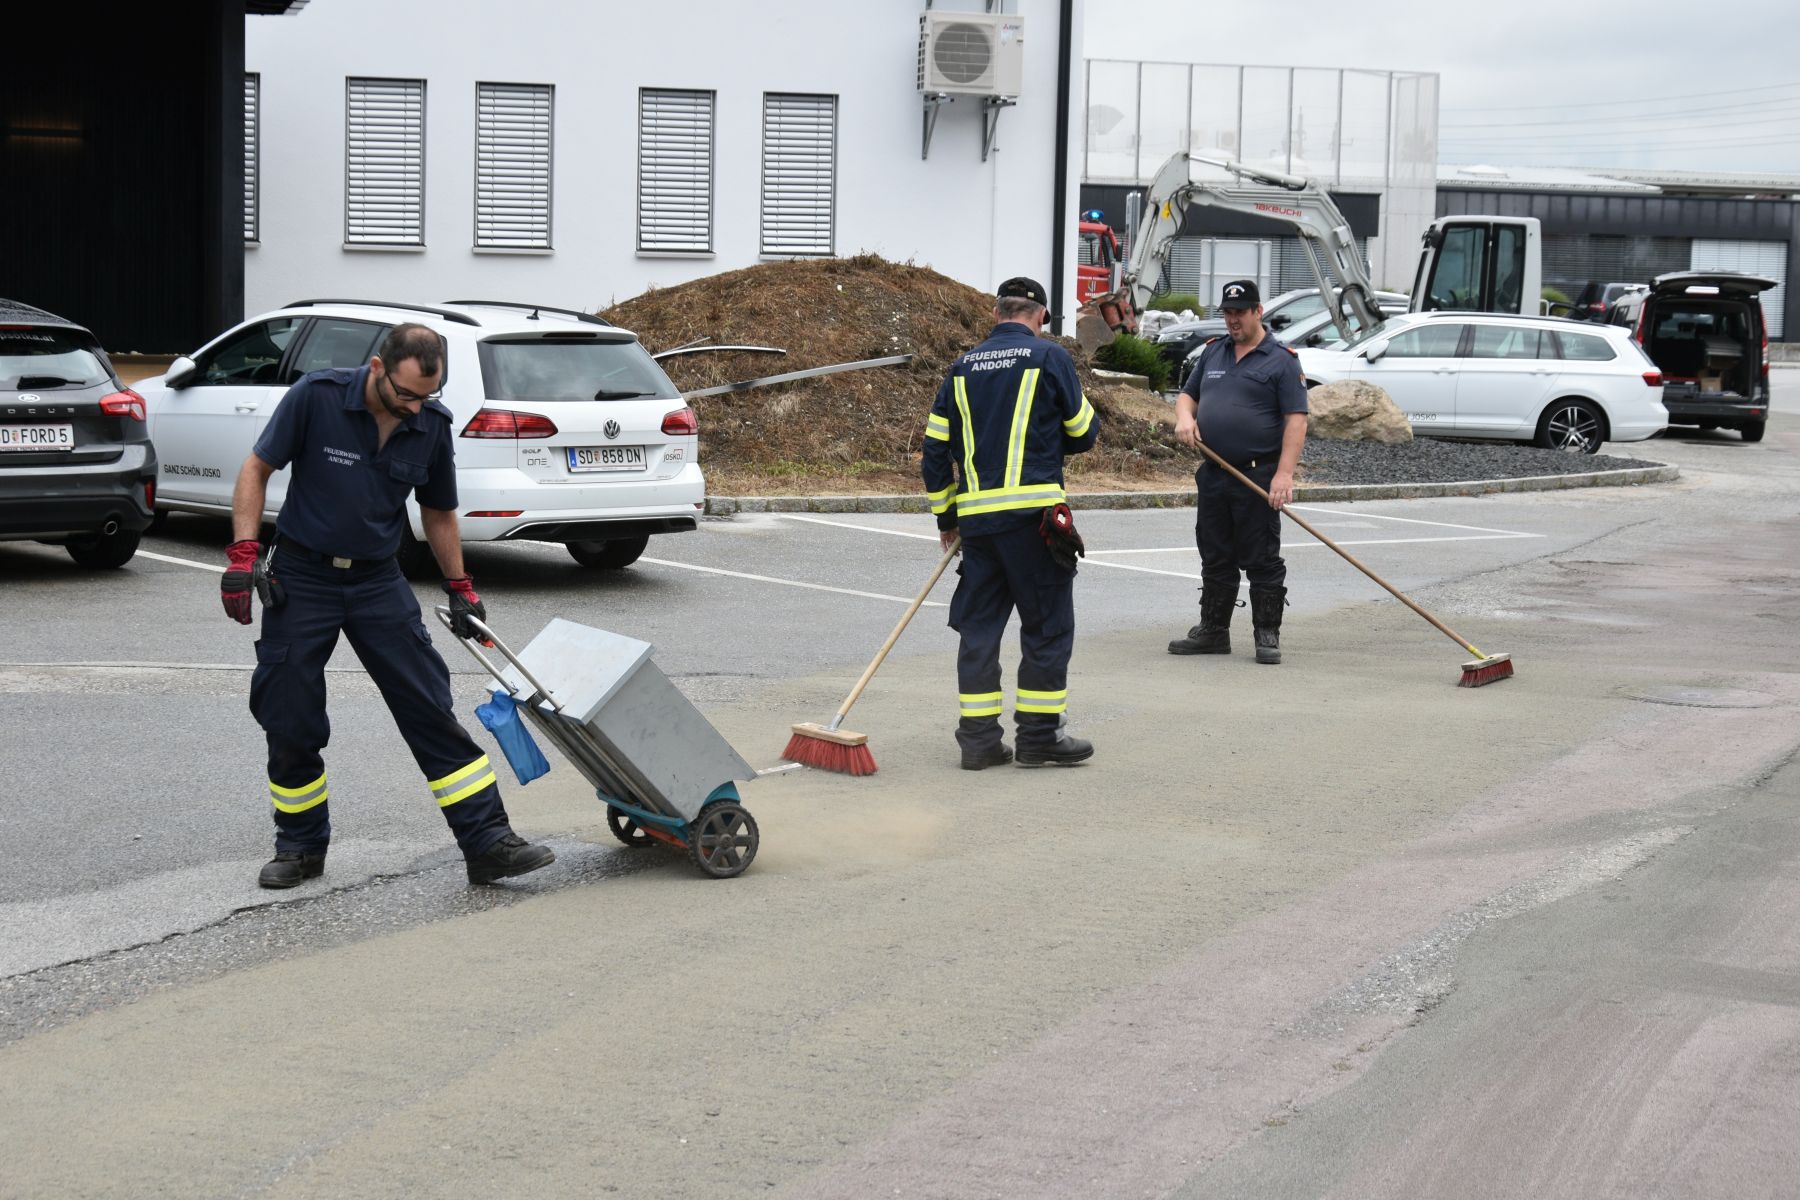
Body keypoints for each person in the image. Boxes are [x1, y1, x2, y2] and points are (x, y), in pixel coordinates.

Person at [222, 323, 555, 888]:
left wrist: (459, 584)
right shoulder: (317, 397)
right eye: (406, 395)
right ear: (378, 368)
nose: (414, 408)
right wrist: (243, 552)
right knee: (289, 712)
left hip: (378, 580)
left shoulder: (429, 424)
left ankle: (487, 842)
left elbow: (439, 511)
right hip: (303, 574)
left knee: (429, 706)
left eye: (427, 396)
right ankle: (300, 846)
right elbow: (257, 468)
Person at [921, 277, 1099, 770]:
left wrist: (947, 517)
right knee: (1046, 627)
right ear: (1039, 316)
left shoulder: (961, 368)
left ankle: (978, 743)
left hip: (979, 525)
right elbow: (1083, 433)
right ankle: (1040, 737)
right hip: (1036, 520)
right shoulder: (1049, 358)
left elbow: (934, 450)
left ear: (997, 314)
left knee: (979, 629)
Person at [1167, 279, 1308, 665]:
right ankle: (1213, 631)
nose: (1232, 320)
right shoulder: (1213, 353)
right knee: (1215, 554)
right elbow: (1186, 396)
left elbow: (1296, 421)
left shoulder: (1282, 359)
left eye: (1240, 313)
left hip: (1257, 475)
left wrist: (1284, 475)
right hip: (1214, 472)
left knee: (1262, 557)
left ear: (1258, 312)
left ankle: (1267, 634)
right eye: (1227, 313)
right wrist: (1184, 418)